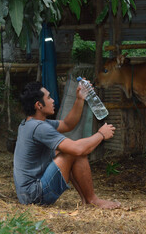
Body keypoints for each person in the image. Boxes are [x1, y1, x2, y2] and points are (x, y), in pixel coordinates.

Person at [13, 81, 121, 209]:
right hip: (35, 196)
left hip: (28, 195)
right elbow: (77, 149)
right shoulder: (39, 127)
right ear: (39, 105)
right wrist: (101, 135)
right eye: (48, 97)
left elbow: (68, 124)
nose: (53, 100)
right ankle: (92, 200)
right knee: (73, 152)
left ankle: (87, 200)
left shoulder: (30, 123)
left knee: (66, 151)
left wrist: (80, 99)